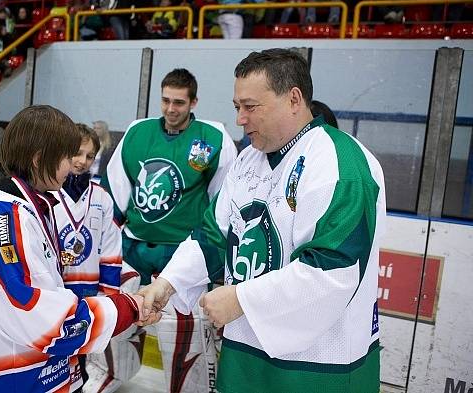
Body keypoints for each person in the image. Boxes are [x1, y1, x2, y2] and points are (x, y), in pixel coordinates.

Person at [138, 49, 386, 393]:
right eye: (237, 106)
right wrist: (167, 284)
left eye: (250, 107)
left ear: (294, 99)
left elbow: (333, 268)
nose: (240, 118)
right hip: (245, 349)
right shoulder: (248, 160)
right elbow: (214, 235)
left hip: (319, 364)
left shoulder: (339, 160)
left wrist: (241, 298)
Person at [0, 105, 145, 393]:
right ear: (39, 158)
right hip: (10, 380)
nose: (73, 165)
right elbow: (31, 310)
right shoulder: (0, 220)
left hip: (41, 373)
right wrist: (126, 308)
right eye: (68, 156)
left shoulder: (35, 208)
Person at [102, 68, 237, 392]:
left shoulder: (213, 138)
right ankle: (109, 373)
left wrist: (214, 258)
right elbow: (116, 194)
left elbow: (224, 203)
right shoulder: (137, 134)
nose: (171, 109)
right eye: (165, 100)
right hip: (133, 248)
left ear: (193, 102)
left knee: (182, 337)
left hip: (182, 255)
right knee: (117, 321)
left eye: (179, 102)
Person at [53, 123, 125, 391]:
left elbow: (110, 251)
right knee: (51, 362)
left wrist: (108, 297)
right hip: (54, 295)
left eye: (90, 156)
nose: (83, 161)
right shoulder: (47, 195)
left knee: (79, 366)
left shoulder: (102, 199)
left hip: (87, 295)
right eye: (77, 153)